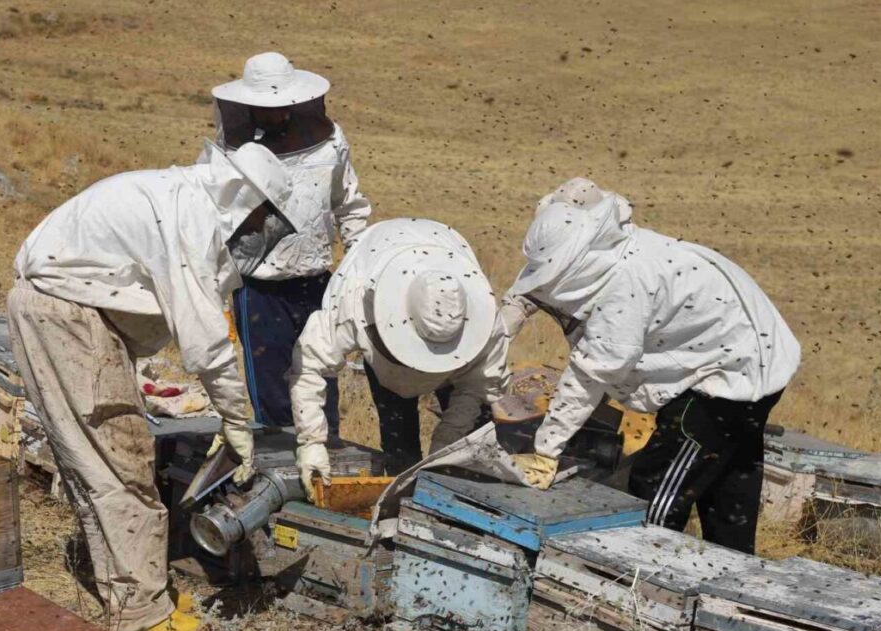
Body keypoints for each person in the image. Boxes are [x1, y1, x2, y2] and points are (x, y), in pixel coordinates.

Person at [8, 143, 302, 631]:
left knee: (98, 464)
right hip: (67, 318)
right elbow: (206, 342)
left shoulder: (181, 196)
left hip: (66, 314)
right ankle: (144, 613)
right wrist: (235, 421)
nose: (256, 233)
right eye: (259, 221)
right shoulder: (189, 215)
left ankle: (135, 592)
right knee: (121, 463)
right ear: (243, 199)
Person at [503, 178, 801, 553]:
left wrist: (546, 450)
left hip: (725, 379)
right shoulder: (610, 246)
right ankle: (734, 580)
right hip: (758, 356)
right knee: (727, 485)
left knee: (658, 486)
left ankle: (651, 575)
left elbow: (589, 376)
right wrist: (514, 307)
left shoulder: (627, 283)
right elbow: (547, 270)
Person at [200, 51, 371, 441]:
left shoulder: (329, 141)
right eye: (265, 108)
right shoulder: (231, 150)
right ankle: (277, 484)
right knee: (273, 394)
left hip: (317, 283)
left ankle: (325, 467)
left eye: (281, 107)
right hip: (259, 289)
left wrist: (358, 268)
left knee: (319, 380)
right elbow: (209, 213)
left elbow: (349, 203)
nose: (275, 115)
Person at [290, 218, 510, 493]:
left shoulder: (487, 325)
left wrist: (447, 446)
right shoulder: (355, 296)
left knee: (471, 450)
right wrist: (311, 441)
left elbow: (478, 388)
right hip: (380, 265)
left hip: (457, 356)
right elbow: (309, 364)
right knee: (400, 445)